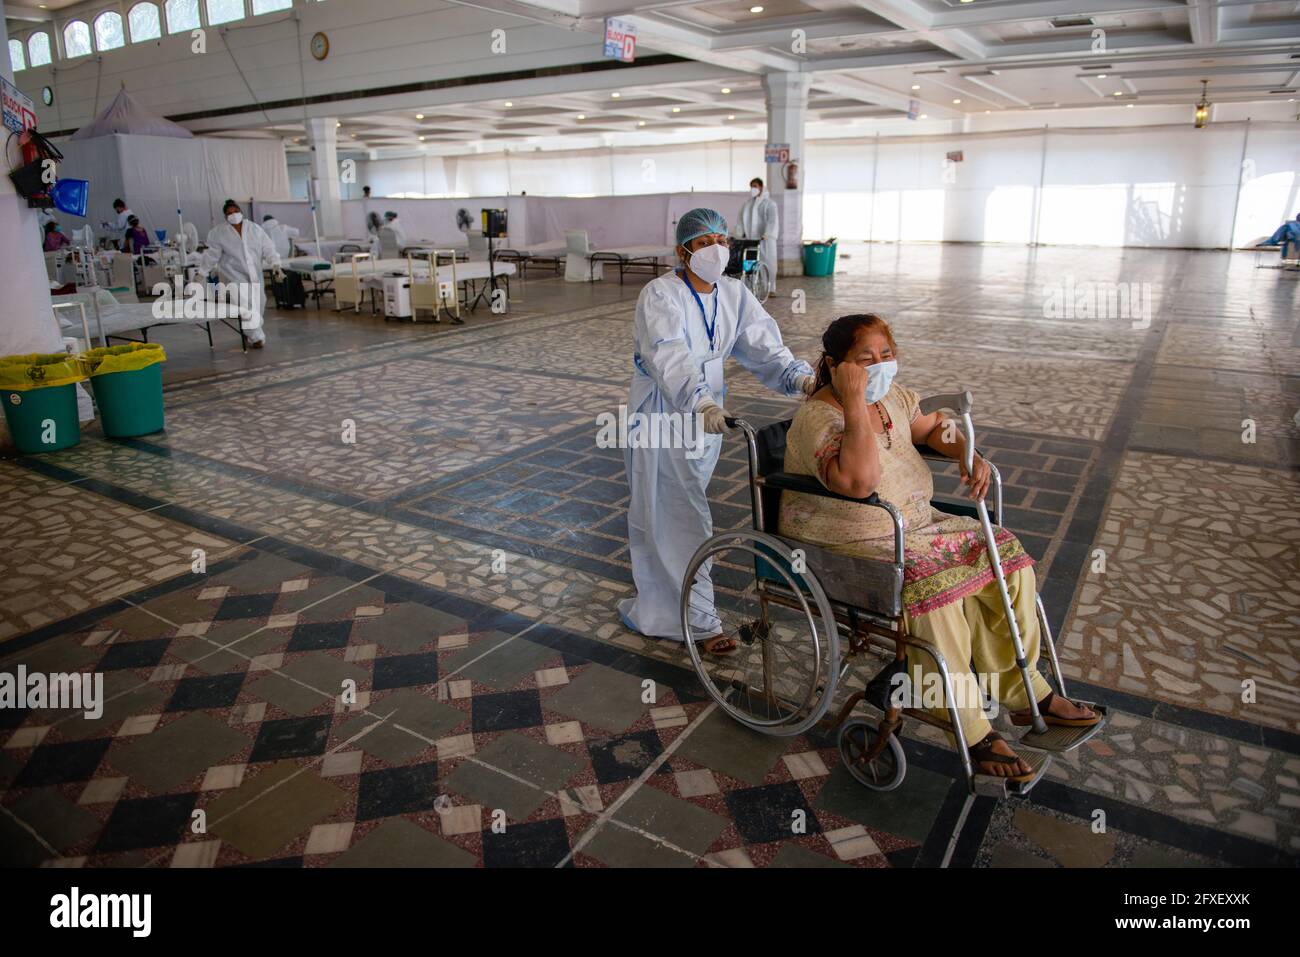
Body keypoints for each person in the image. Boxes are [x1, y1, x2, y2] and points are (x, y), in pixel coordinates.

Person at [778, 313, 1099, 781]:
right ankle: (971, 728)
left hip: (917, 522)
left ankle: (1027, 693)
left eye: (887, 355)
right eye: (865, 359)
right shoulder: (818, 417)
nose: (881, 366)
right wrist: (851, 403)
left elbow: (932, 429)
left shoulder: (892, 397)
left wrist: (969, 453)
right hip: (854, 537)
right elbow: (858, 480)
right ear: (835, 365)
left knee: (1006, 561)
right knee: (938, 589)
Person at [619, 207, 815, 651]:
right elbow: (668, 355)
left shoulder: (734, 294)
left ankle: (660, 606)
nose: (716, 249)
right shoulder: (660, 294)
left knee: (667, 514)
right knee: (680, 516)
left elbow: (766, 348)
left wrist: (801, 379)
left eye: (721, 240)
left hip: (707, 419)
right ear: (682, 251)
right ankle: (701, 623)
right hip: (664, 416)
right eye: (704, 242)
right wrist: (698, 400)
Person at [200, 199, 284, 350]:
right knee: (245, 304)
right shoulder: (219, 233)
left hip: (254, 274)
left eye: (235, 211)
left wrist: (275, 264)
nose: (233, 215)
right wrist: (202, 272)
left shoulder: (255, 229)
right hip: (233, 275)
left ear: (241, 212)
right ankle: (256, 337)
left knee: (260, 303)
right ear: (225, 217)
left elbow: (268, 248)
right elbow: (212, 255)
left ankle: (251, 331)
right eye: (229, 213)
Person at [733, 177, 778, 295]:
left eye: (755, 186)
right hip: (751, 240)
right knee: (751, 264)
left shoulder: (769, 204)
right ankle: (751, 287)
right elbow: (740, 221)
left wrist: (767, 234)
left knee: (769, 263)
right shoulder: (748, 204)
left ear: (762, 187)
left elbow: (772, 221)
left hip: (766, 240)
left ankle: (771, 288)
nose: (753, 189)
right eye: (751, 186)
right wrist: (737, 234)